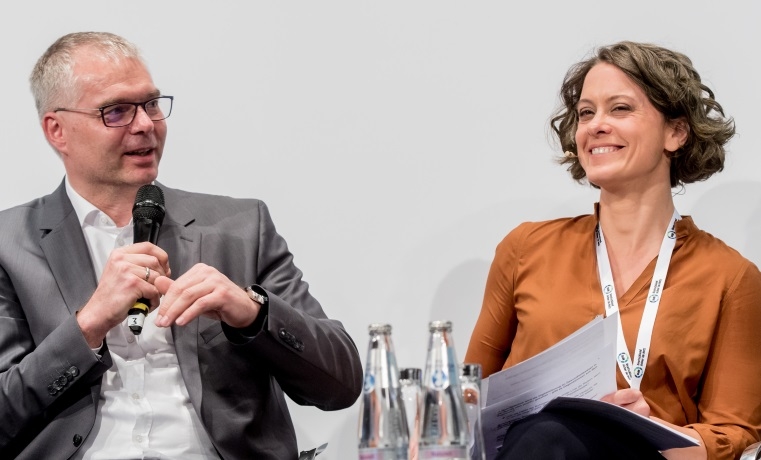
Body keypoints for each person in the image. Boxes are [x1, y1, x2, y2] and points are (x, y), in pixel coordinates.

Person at [0, 31, 363, 459]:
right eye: (116, 111)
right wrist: (88, 326)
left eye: (152, 104)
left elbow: (340, 383)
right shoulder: (10, 245)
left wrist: (252, 313)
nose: (144, 125)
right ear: (57, 130)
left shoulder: (241, 228)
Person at [465, 41, 761, 460]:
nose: (596, 126)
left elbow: (735, 432)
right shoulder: (526, 248)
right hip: (531, 447)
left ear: (675, 133)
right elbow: (466, 396)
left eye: (620, 109)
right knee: (548, 434)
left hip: (645, 455)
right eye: (586, 113)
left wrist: (646, 428)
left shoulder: (730, 277)